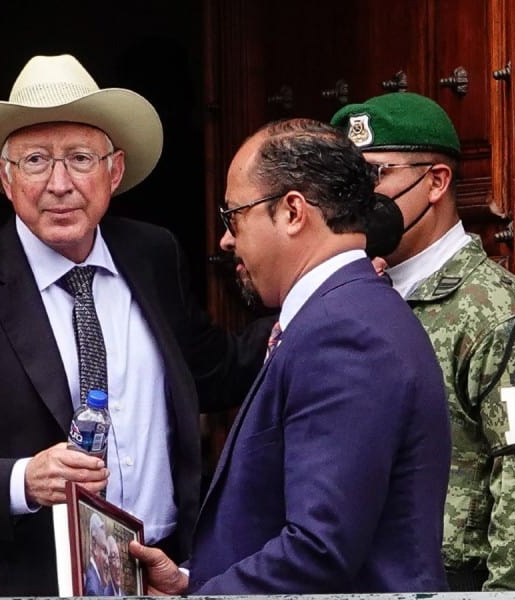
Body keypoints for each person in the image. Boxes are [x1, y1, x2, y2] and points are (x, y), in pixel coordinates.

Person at [0, 53, 274, 596]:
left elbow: (214, 370)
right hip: (25, 585)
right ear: (6, 179)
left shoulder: (153, 254)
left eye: (80, 158)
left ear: (115, 171)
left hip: (161, 575)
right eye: (35, 161)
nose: (60, 184)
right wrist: (22, 480)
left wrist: (318, 292)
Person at [130, 117, 452, 593]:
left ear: (293, 212)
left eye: (233, 217)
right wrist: (190, 579)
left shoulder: (344, 334)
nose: (225, 240)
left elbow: (318, 550)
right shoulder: (340, 314)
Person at [331, 92, 515, 591]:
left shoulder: (497, 311)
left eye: (375, 175)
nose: (359, 197)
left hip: (451, 581)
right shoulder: (356, 294)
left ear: (435, 181)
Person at [84, 513, 109, 595]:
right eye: (104, 551)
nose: (108, 562)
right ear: (94, 547)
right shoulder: (93, 588)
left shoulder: (97, 581)